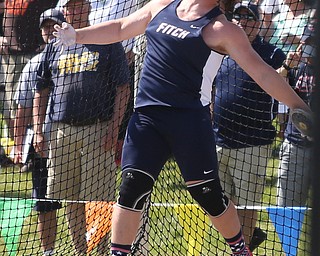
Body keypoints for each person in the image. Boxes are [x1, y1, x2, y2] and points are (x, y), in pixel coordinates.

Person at [52, 0, 311, 255]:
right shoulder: (162, 5)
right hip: (147, 118)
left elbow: (262, 73)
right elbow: (120, 28)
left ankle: (240, 249)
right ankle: (119, 252)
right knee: (132, 187)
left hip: (189, 122)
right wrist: (77, 35)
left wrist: (303, 110)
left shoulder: (222, 29)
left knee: (208, 194)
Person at [33, 0, 130, 255]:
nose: (74, 10)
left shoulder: (107, 39)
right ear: (63, 11)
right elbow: (40, 90)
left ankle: (99, 250)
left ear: (88, 7)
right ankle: (80, 251)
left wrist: (114, 127)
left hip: (98, 130)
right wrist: (39, 130)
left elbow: (123, 87)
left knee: (99, 197)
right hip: (61, 131)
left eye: (79, 5)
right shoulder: (53, 46)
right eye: (69, 6)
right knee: (70, 197)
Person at [213, 1, 286, 252]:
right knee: (219, 201)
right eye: (239, 17)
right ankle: (246, 240)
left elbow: (283, 75)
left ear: (259, 24)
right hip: (219, 139)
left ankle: (244, 248)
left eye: (249, 18)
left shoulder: (271, 53)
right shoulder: (221, 51)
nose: (243, 22)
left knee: (247, 202)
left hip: (253, 142)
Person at [13, 9, 65, 256]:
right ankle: (48, 252)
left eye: (54, 26)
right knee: (44, 201)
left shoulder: (80, 53)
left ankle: (92, 245)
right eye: (45, 27)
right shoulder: (33, 65)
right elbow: (22, 109)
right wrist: (17, 144)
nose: (49, 31)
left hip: (77, 135)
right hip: (43, 141)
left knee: (85, 196)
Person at [0, 0, 59, 140]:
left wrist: (51, 42)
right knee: (16, 105)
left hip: (45, 53)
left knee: (44, 101)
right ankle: (22, 151)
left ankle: (38, 149)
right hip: (14, 57)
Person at [276, 23, 315, 208]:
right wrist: (286, 66)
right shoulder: (296, 66)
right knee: (286, 210)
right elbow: (273, 86)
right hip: (295, 146)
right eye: (307, 42)